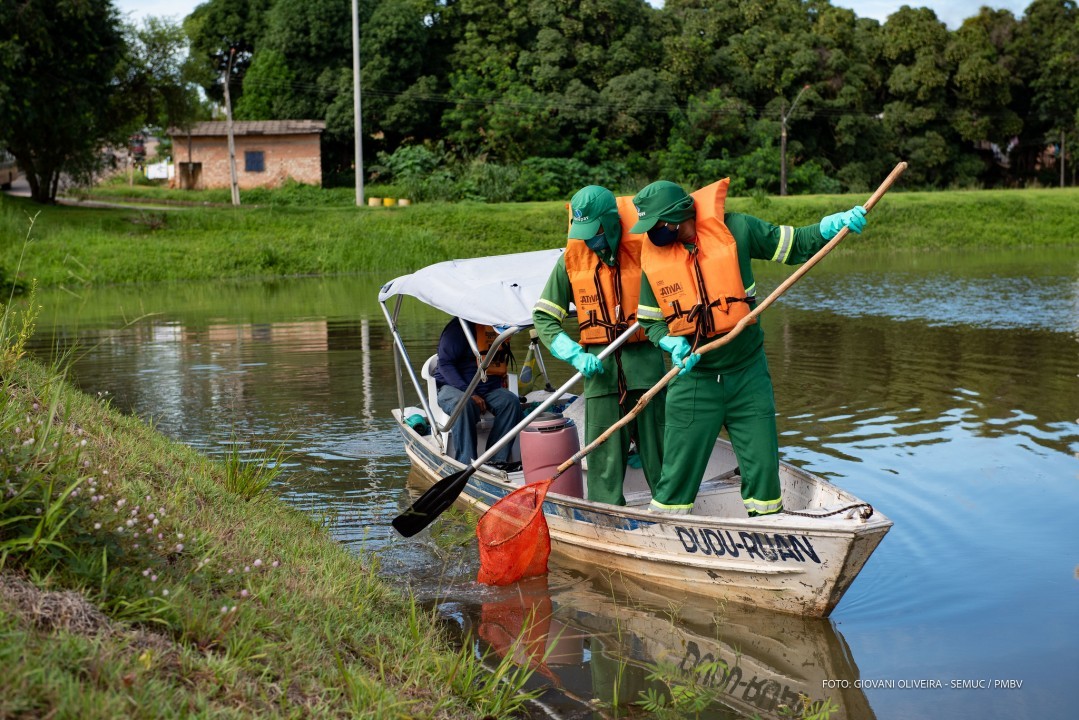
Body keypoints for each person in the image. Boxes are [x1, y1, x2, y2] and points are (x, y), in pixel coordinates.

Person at [630, 179, 867, 516]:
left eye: (656, 225)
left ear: (677, 216)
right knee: (675, 479)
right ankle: (664, 535)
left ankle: (768, 533)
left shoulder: (737, 229)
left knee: (763, 474)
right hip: (694, 378)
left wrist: (831, 226)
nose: (652, 233)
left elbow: (795, 245)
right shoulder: (654, 255)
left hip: (747, 373)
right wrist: (670, 341)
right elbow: (651, 320)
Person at [532, 185, 666, 505]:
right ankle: (608, 520)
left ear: (611, 222)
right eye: (584, 233)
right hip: (600, 373)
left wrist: (676, 338)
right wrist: (574, 353)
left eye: (595, 232)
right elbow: (544, 317)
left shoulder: (648, 250)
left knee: (662, 455)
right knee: (604, 462)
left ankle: (674, 513)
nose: (590, 240)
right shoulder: (572, 259)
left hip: (647, 371)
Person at [432, 318, 525, 466]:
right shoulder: (458, 328)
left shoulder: (495, 327)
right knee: (463, 404)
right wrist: (469, 392)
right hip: (453, 387)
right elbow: (444, 363)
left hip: (487, 387)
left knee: (511, 403)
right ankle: (466, 463)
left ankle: (496, 460)